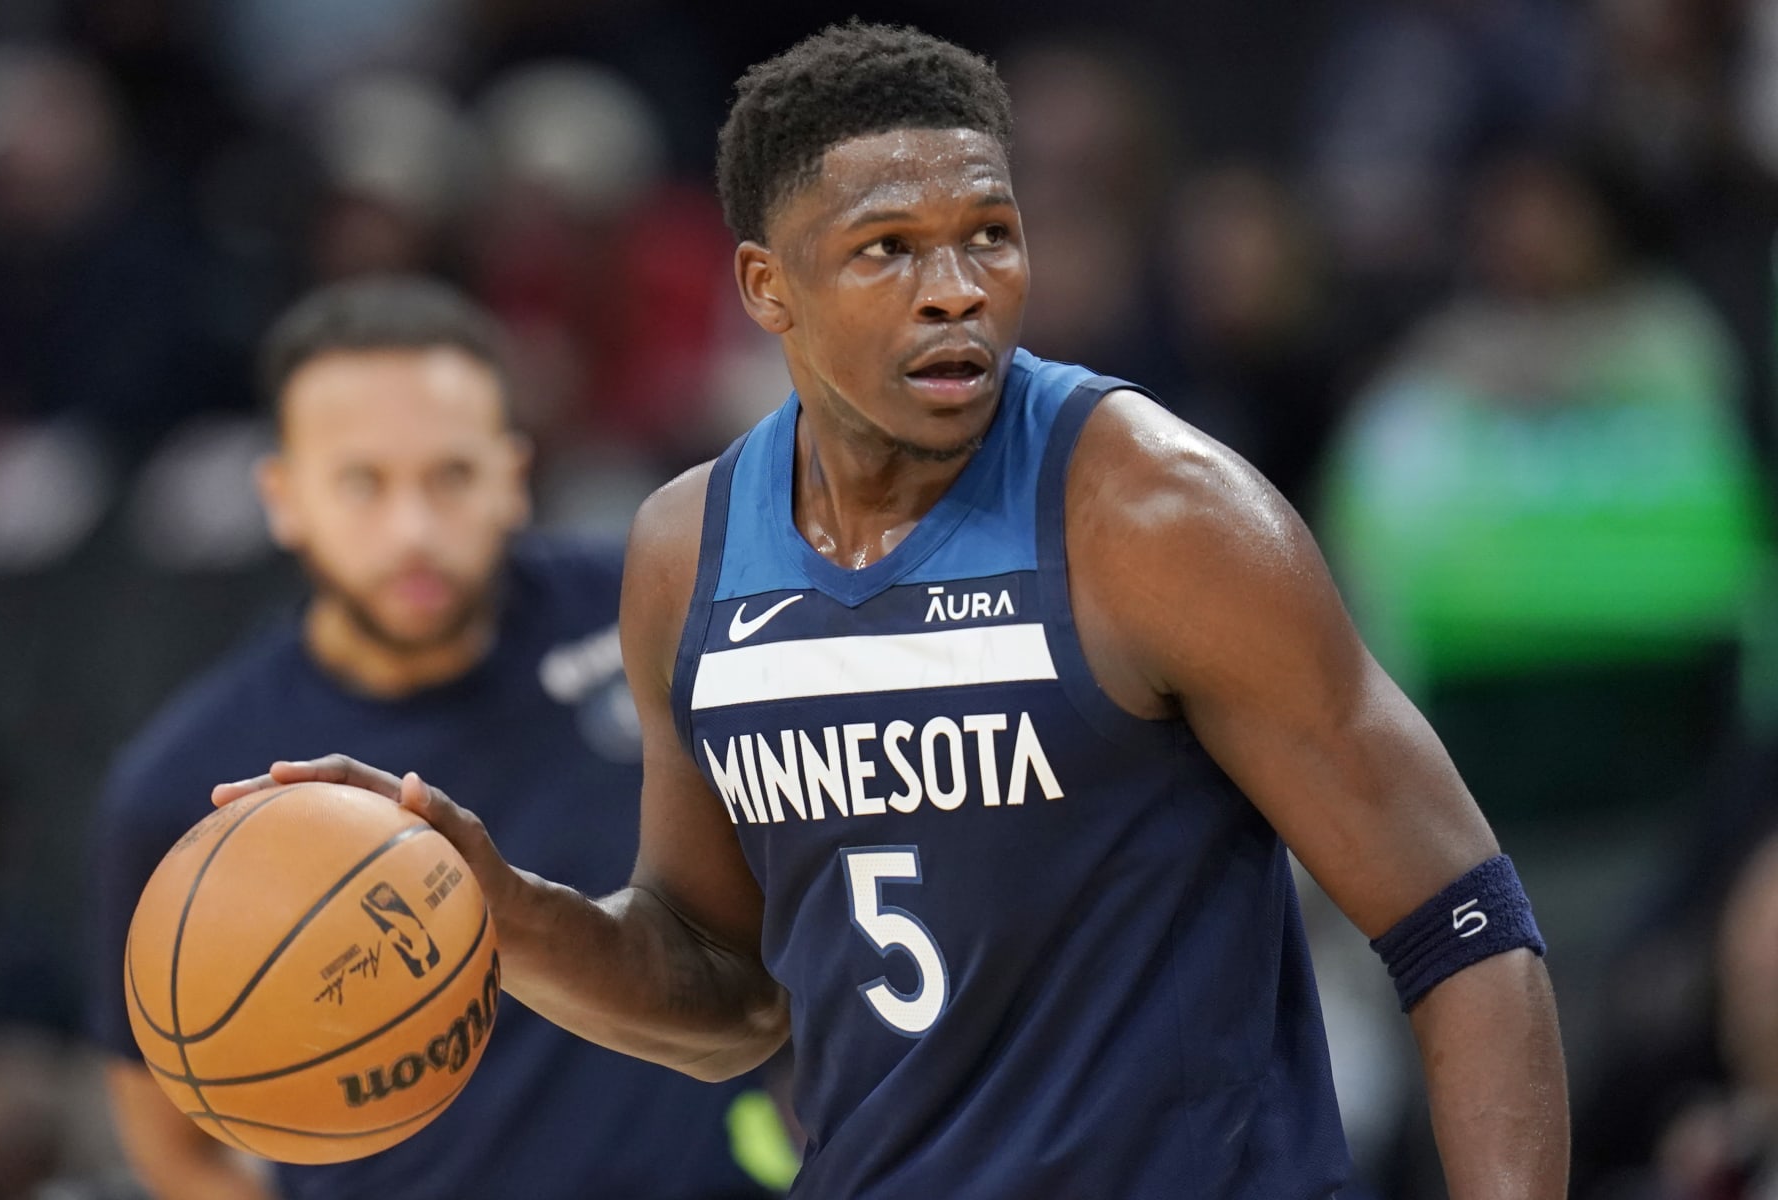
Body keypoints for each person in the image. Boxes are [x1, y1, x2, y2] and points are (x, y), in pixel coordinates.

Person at [218, 23, 1569, 1197]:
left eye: (991, 233)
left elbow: (1462, 925)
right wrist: (507, 920)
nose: (958, 290)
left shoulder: (1161, 519)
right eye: (889, 250)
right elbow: (725, 989)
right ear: (767, 291)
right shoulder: (688, 553)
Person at [88, 276, 784, 1200]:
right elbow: (178, 1149)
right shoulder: (186, 788)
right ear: (284, 496)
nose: (412, 530)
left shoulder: (657, 612)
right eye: (362, 483)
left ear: (512, 477)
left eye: (450, 476)